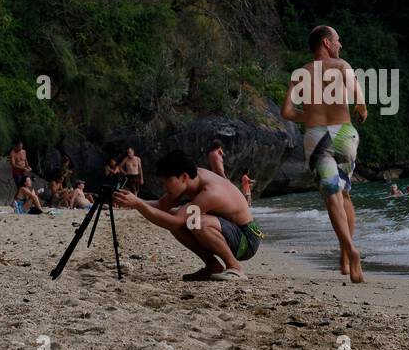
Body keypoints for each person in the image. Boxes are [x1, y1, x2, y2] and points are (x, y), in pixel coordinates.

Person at [280, 24, 367, 282]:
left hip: (317, 136)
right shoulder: (342, 66)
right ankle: (344, 254)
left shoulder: (302, 72)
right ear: (327, 43)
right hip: (344, 135)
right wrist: (361, 110)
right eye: (337, 40)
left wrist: (311, 114)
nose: (340, 45)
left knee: (332, 196)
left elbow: (286, 112)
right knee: (345, 193)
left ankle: (350, 250)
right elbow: (359, 101)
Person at [113, 149, 262, 281]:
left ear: (183, 177)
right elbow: (162, 206)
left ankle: (235, 268)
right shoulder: (190, 180)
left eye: (167, 181)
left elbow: (175, 222)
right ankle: (212, 266)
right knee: (176, 214)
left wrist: (138, 204)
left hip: (247, 240)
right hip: (230, 233)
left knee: (196, 221)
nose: (164, 187)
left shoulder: (210, 192)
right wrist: (132, 201)